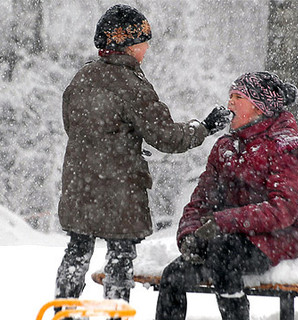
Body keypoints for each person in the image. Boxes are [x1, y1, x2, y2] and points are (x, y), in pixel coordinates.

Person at [55, 3, 231, 307]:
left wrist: (115, 142)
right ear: (126, 43)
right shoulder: (130, 85)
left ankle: (63, 308)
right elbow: (166, 137)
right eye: (143, 40)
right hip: (119, 188)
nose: (147, 47)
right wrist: (204, 127)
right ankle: (115, 311)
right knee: (120, 257)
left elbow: (77, 127)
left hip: (79, 182)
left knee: (78, 249)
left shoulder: (82, 78)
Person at [155, 72, 298, 320]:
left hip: (282, 235)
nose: (229, 103)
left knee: (223, 256)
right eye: (230, 96)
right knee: (173, 275)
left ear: (259, 107)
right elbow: (200, 200)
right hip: (230, 236)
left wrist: (223, 221)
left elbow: (282, 210)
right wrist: (188, 235)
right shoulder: (225, 147)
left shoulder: (286, 146)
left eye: (238, 97)